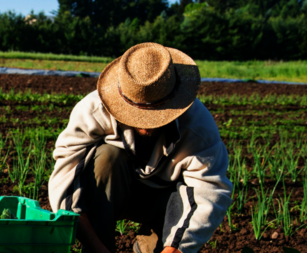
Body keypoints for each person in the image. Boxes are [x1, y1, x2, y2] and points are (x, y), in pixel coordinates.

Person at [47, 43, 232, 253]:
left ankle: (150, 242)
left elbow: (208, 194)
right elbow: (66, 184)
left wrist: (175, 249)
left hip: (165, 201)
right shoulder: (94, 111)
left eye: (156, 117)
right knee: (107, 157)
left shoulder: (198, 127)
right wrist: (98, 249)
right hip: (110, 193)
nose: (146, 127)